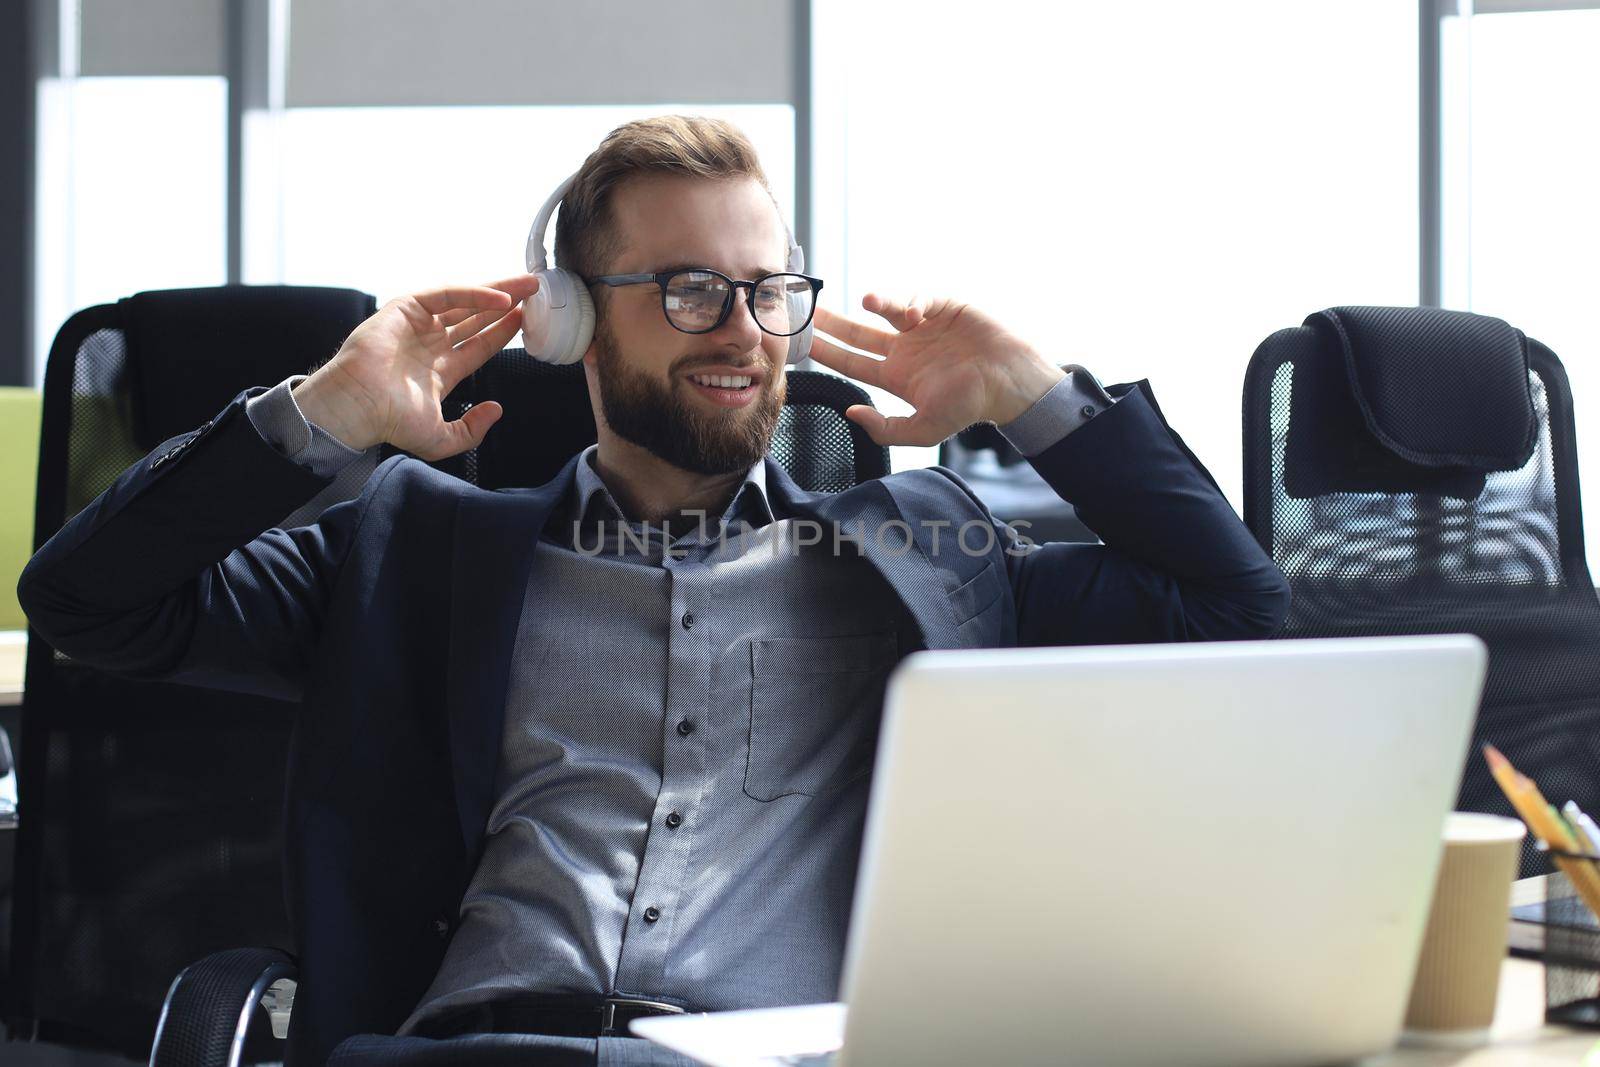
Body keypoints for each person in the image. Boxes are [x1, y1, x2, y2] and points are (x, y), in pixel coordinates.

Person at [18, 116, 1289, 1066]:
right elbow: (90, 601)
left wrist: (1035, 395)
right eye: (688, 290)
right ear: (574, 323)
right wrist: (323, 415)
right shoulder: (411, 551)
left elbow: (1242, 612)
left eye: (767, 290)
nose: (742, 329)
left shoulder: (926, 558)